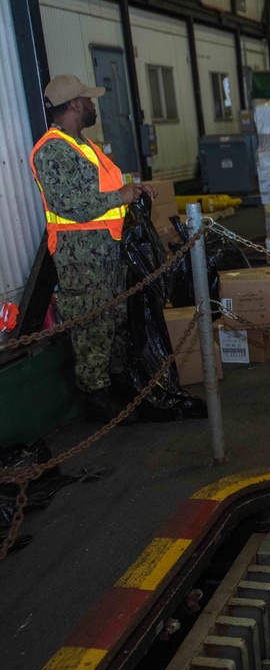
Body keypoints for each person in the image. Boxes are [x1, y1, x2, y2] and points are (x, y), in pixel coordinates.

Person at [29, 75, 156, 423]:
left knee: (113, 319)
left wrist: (134, 191)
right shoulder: (52, 149)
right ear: (73, 105)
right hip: (80, 258)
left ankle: (116, 383)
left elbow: (103, 192)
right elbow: (69, 203)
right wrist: (121, 197)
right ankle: (96, 398)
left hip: (105, 252)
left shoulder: (83, 145)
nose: (93, 105)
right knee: (93, 327)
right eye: (88, 99)